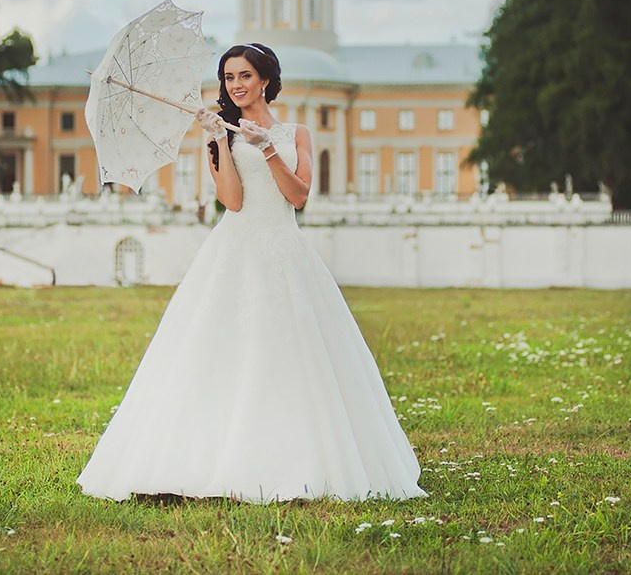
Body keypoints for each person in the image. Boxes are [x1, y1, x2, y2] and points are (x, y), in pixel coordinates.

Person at [77, 43, 425, 503]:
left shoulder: (296, 133)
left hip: (286, 247)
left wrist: (268, 151)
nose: (235, 85)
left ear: (265, 80)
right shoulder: (218, 136)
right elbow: (233, 202)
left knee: (293, 352)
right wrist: (221, 140)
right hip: (235, 248)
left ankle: (299, 460)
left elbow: (298, 197)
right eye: (228, 78)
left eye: (243, 76)